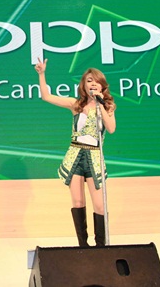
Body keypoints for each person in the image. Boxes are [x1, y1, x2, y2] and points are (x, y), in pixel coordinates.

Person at [34, 58, 116, 247]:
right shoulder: (76, 104)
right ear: (83, 85)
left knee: (99, 205)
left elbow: (111, 128)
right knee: (78, 202)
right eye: (89, 80)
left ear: (102, 85)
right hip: (75, 155)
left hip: (94, 157)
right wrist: (42, 74)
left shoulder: (107, 106)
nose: (92, 84)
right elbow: (47, 96)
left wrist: (100, 104)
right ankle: (83, 246)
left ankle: (101, 246)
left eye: (96, 81)